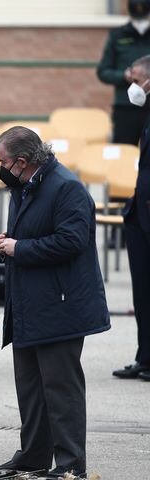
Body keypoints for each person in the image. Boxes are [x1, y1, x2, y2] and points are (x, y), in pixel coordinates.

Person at [0, 126, 110, 476]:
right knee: (30, 388)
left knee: (60, 390)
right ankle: (33, 456)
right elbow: (33, 234)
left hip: (60, 305)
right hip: (29, 302)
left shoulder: (65, 187)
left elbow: (72, 242)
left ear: (23, 161)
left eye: (4, 162)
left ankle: (70, 464)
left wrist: (19, 247)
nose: (0, 168)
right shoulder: (26, 185)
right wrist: (8, 243)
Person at [115, 54, 150, 381]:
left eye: (138, 82)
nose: (134, 88)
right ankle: (145, 355)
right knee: (142, 291)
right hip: (140, 214)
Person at [97, 0, 150, 145]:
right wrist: (123, 75)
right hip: (126, 106)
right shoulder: (118, 35)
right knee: (123, 151)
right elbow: (103, 71)